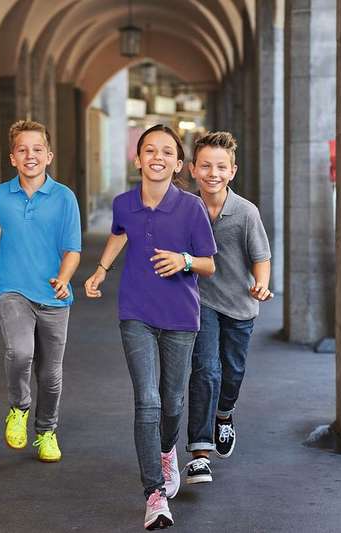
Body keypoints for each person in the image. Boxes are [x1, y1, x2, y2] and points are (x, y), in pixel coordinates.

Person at [84, 124, 216, 530]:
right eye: (150, 150)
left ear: (178, 164)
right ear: (138, 159)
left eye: (167, 152)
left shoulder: (192, 208)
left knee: (172, 401)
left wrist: (184, 261)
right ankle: (154, 495)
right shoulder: (124, 204)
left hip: (180, 317)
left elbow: (209, 264)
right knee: (148, 400)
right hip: (136, 313)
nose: (157, 157)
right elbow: (120, 233)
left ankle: (166, 450)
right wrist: (101, 269)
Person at [0, 119, 81, 463]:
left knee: (50, 373)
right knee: (21, 352)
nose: (30, 155)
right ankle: (19, 407)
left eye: (37, 149)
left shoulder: (64, 197)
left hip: (54, 295)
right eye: (22, 150)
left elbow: (72, 249)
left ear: (49, 155)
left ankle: (46, 432)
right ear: (12, 158)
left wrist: (64, 278)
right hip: (14, 290)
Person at [184, 131, 272, 484]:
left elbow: (261, 257)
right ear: (193, 169)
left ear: (232, 171)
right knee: (206, 369)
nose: (213, 173)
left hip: (239, 305)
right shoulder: (186, 209)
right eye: (205, 166)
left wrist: (261, 283)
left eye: (221, 167)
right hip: (200, 302)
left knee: (232, 372)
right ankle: (200, 453)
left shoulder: (246, 212)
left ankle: (224, 414)